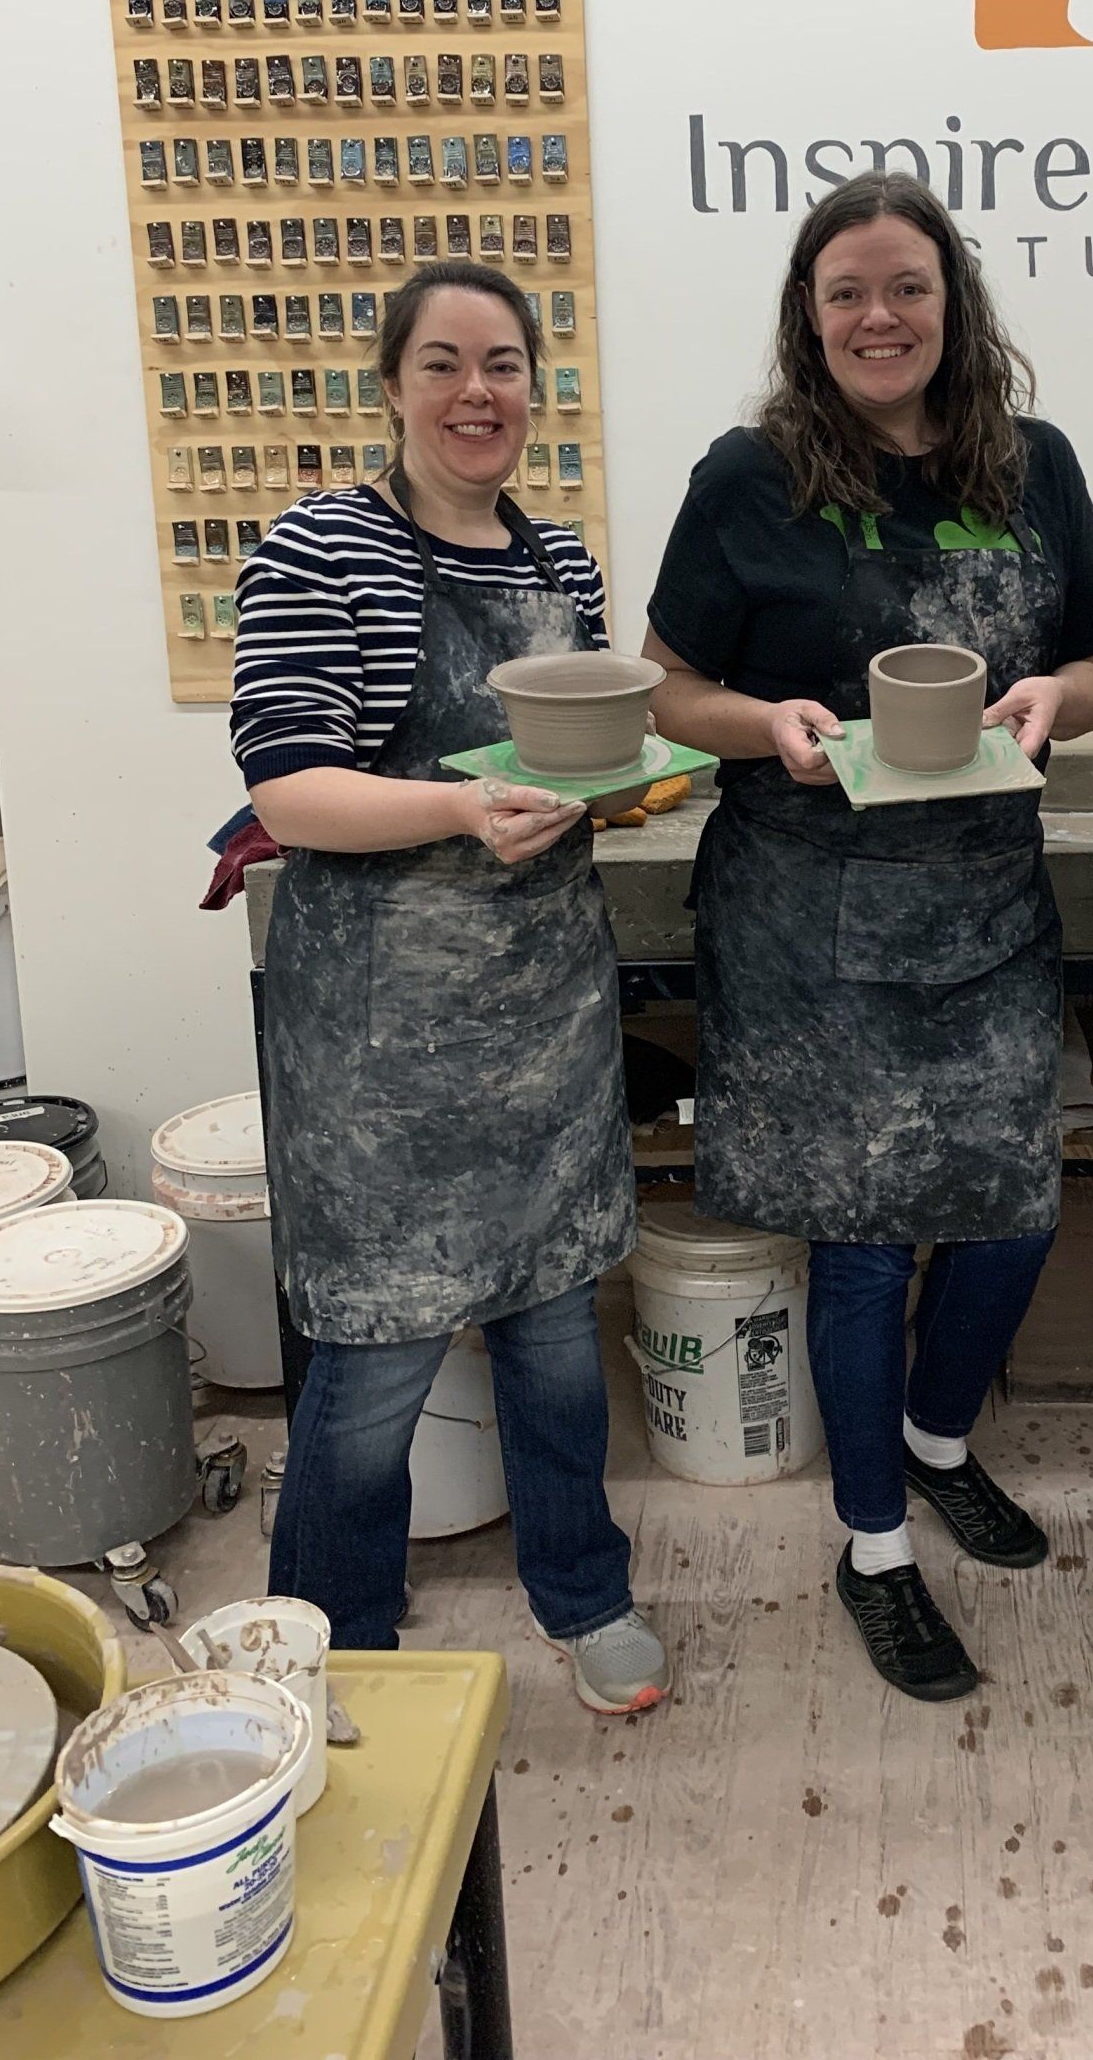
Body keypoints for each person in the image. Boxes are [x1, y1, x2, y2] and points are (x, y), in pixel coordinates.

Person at [643, 173, 1093, 1704]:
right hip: (805, 897)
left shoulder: (1031, 466)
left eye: (908, 287)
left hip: (983, 892)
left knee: (1010, 1206)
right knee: (858, 1243)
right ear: (809, 311)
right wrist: (768, 721)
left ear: (952, 304)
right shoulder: (750, 477)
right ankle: (873, 1548)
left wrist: (1060, 700)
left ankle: (936, 1439)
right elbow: (667, 690)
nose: (879, 316)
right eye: (848, 289)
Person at [232, 259, 668, 1714]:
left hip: (539, 1021)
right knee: (373, 1373)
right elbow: (291, 794)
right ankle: (330, 1648)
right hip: (382, 1051)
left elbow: (577, 765)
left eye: (502, 364)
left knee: (553, 1337)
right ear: (393, 385)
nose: (477, 393)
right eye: (442, 364)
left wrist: (624, 790)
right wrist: (464, 812)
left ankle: (584, 1593)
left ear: (534, 386)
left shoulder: (560, 571)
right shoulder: (323, 549)